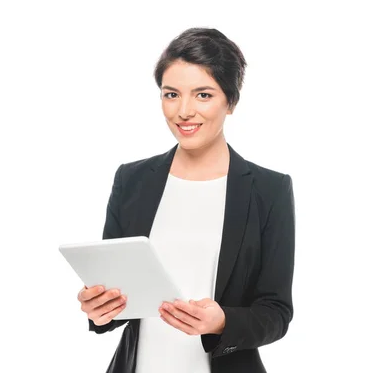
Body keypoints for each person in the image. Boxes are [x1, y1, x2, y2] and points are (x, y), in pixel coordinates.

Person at [76, 27, 295, 373]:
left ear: (231, 101)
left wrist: (222, 322)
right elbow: (117, 295)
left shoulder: (268, 190)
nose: (184, 111)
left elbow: (276, 312)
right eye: (171, 94)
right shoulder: (131, 181)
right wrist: (100, 308)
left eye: (203, 95)